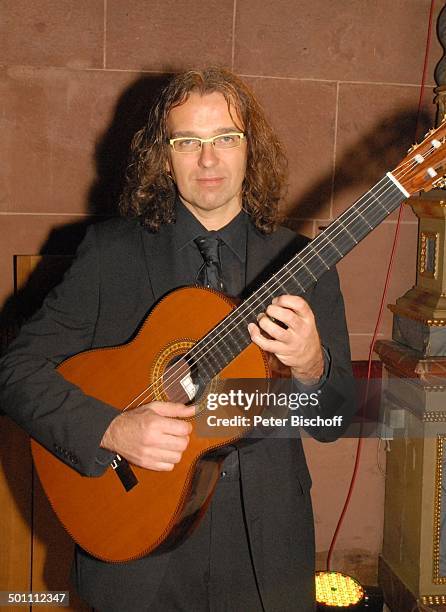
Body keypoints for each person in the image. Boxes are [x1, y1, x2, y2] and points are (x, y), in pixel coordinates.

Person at [0, 67, 355, 611]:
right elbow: (15, 371)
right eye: (187, 141)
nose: (207, 160)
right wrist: (112, 429)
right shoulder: (110, 255)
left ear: (249, 150)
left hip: (264, 553)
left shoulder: (303, 266)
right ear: (163, 157)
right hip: (136, 549)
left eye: (224, 139)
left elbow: (335, 419)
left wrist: (312, 367)